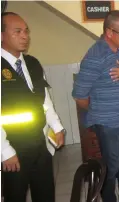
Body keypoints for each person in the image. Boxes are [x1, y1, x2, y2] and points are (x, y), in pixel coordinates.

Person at [72, 10, 119, 202]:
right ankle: (109, 198)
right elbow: (79, 96)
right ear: (109, 32)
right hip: (107, 123)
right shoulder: (94, 56)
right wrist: (99, 114)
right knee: (111, 166)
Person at [1, 12, 65, 202]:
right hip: (12, 147)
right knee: (15, 196)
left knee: (45, 194)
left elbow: (44, 100)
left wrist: (57, 126)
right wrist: (5, 151)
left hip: (38, 143)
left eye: (26, 31)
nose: (25, 36)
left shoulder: (32, 63)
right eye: (18, 31)